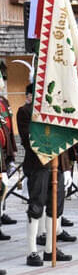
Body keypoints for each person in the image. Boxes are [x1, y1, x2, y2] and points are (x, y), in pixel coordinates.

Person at [17, 84, 73, 266]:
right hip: (38, 164)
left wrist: (67, 166)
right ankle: (32, 251)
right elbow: (28, 139)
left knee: (56, 207)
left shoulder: (58, 111)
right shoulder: (25, 111)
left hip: (58, 165)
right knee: (36, 206)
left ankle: (50, 248)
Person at [0, 93, 18, 227]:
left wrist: (12, 151)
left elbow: (8, 129)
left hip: (4, 151)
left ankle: (1, 213)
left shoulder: (3, 101)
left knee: (3, 185)